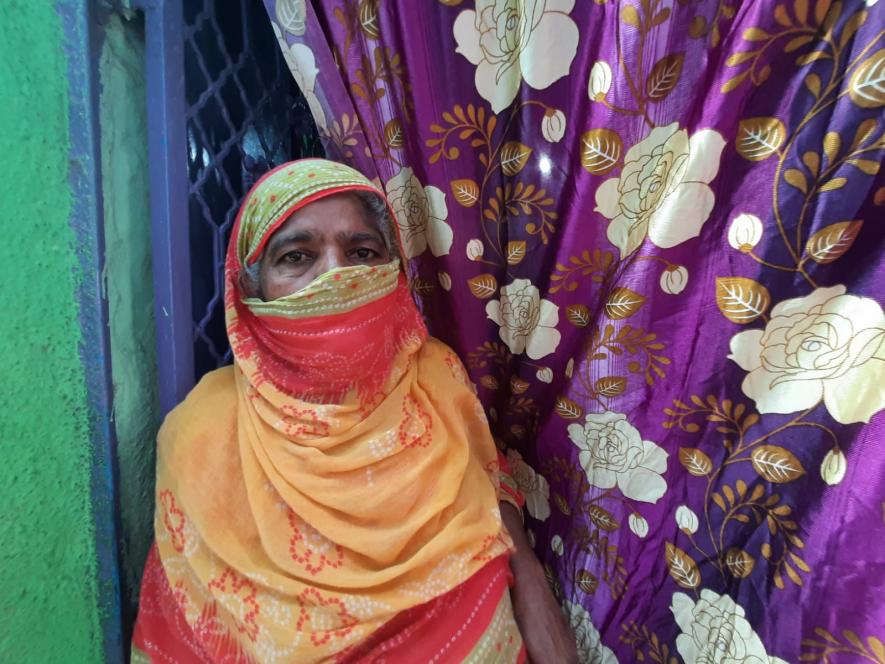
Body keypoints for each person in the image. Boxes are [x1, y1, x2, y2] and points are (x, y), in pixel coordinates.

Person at [132, 158, 578, 663]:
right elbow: (189, 632)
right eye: (297, 257)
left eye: (362, 251)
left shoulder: (434, 376)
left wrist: (541, 608)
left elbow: (494, 509)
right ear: (251, 290)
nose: (335, 276)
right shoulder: (204, 432)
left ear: (394, 273)